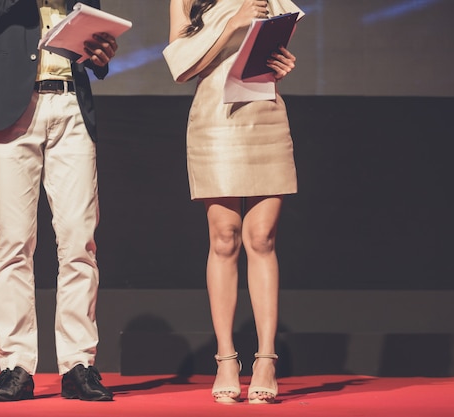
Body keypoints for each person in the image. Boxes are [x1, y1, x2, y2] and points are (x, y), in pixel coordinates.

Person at [0, 0, 118, 402]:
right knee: (14, 244)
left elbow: (92, 36)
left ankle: (78, 364)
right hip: (12, 109)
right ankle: (16, 366)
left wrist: (100, 54)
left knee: (79, 242)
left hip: (71, 106)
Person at [163, 0, 304, 404]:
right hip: (215, 118)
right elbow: (181, 66)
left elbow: (273, 41)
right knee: (225, 238)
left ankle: (265, 359)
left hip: (265, 112)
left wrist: (280, 60)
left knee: (261, 238)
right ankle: (226, 358)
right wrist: (234, 23)